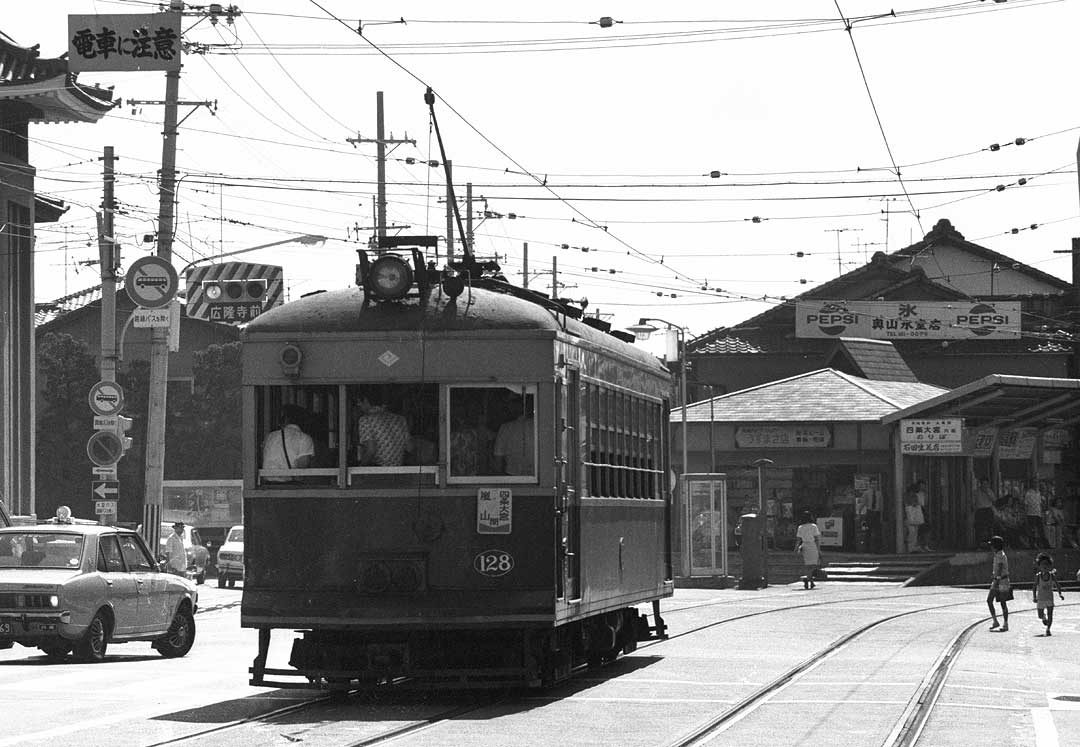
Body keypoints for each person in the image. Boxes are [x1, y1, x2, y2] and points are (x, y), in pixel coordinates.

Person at [355, 391, 412, 466]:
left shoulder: (366, 420)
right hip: (398, 471)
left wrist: (360, 467)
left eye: (359, 401)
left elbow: (371, 450)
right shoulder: (401, 419)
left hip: (378, 471)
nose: (358, 404)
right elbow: (410, 447)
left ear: (366, 400)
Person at [261, 404, 315, 481]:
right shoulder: (304, 438)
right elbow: (302, 466)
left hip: (266, 485)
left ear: (285, 420)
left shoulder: (270, 436)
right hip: (289, 486)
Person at [493, 393, 535, 475]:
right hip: (537, 478)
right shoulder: (538, 426)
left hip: (512, 478)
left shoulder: (505, 428)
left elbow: (498, 462)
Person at [1032, 552, 1064, 636]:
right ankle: (1043, 617)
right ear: (1039, 566)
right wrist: (1034, 597)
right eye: (1042, 564)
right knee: (1040, 615)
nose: (1044, 566)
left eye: (1046, 564)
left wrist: (1060, 594)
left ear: (1050, 566)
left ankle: (1048, 629)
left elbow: (1057, 585)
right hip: (1041, 599)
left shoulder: (1051, 575)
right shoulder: (1038, 576)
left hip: (1049, 598)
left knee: (1051, 614)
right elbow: (1034, 587)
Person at [987, 535, 1011, 632]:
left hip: (1002, 581)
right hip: (996, 580)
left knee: (1002, 602)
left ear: (995, 546)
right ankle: (995, 621)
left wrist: (997, 579)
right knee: (989, 600)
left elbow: (1000, 568)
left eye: (992, 545)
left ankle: (1005, 624)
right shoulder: (997, 554)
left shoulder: (1000, 555)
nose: (991, 547)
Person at [795, 512, 822, 590]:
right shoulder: (813, 526)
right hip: (812, 546)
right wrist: (819, 549)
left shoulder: (800, 527)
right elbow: (817, 539)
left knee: (808, 565)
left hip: (805, 546)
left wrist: (796, 547)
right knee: (814, 564)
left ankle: (809, 579)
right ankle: (809, 579)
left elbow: (798, 539)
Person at [1022, 480, 1048, 549]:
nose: (1036, 484)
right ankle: (1032, 545)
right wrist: (1025, 514)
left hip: (1038, 514)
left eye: (1037, 483)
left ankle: (1044, 544)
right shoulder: (1028, 493)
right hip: (1031, 514)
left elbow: (1040, 504)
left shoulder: (1039, 493)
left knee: (1041, 530)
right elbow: (1025, 504)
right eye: (1035, 483)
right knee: (1032, 530)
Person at [973, 478, 996, 548]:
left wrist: (987, 493)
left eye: (986, 484)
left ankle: (991, 545)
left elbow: (994, 500)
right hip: (980, 511)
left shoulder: (989, 491)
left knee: (990, 528)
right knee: (979, 528)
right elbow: (974, 502)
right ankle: (978, 545)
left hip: (988, 510)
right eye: (984, 484)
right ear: (981, 484)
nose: (985, 485)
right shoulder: (976, 492)